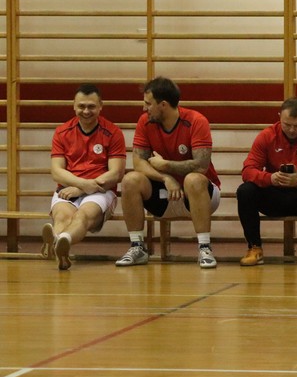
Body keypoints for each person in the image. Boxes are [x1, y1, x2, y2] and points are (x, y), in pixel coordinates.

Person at [115, 76, 222, 268]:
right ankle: (137, 247)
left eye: (148, 103)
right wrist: (165, 177)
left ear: (163, 105)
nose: (144, 108)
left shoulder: (196, 121)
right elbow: (138, 162)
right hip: (164, 195)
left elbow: (201, 165)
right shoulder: (145, 122)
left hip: (201, 195)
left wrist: (165, 165)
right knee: (130, 180)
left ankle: (205, 248)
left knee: (193, 179)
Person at [236, 98, 297, 267]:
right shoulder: (267, 136)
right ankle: (254, 248)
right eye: (287, 124)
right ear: (279, 117)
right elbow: (247, 170)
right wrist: (270, 178)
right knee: (245, 191)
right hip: (275, 197)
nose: (291, 130)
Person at [42, 84, 126, 271]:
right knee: (62, 217)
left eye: (91, 106)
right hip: (67, 188)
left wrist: (83, 189)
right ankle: (61, 247)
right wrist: (81, 185)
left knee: (82, 216)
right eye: (81, 106)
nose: (86, 111)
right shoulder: (62, 132)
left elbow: (116, 173)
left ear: (100, 106)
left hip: (101, 191)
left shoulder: (113, 132)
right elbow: (57, 171)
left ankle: (60, 240)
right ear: (73, 105)